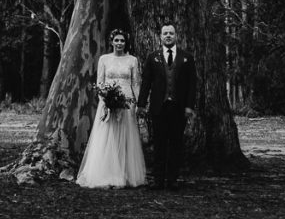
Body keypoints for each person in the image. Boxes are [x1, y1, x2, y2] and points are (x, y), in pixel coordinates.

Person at [76, 29, 146, 188]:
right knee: (109, 138)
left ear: (125, 43)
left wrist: (137, 103)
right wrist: (105, 100)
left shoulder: (132, 60)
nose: (120, 43)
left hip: (127, 103)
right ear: (112, 42)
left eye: (122, 41)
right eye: (117, 40)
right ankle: (108, 174)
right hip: (108, 102)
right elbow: (100, 81)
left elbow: (135, 83)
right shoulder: (104, 59)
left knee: (126, 137)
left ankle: (126, 174)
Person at [137, 20, 197, 190]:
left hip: (179, 108)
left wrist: (189, 106)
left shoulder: (187, 58)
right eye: (165, 33)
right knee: (159, 144)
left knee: (176, 144)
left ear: (176, 36)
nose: (168, 36)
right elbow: (146, 82)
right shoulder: (152, 57)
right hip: (158, 107)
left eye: (171, 33)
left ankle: (172, 180)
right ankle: (158, 180)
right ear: (160, 37)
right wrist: (141, 104)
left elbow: (192, 84)